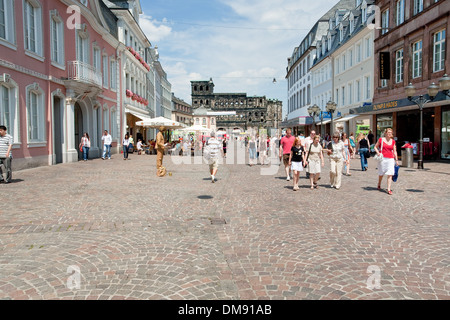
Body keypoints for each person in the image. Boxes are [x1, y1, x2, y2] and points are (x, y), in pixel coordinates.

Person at [374, 128, 399, 195]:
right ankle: (379, 183)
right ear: (385, 133)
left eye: (391, 132)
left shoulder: (393, 141)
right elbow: (375, 147)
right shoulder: (381, 139)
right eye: (388, 132)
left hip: (390, 159)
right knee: (381, 173)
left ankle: (388, 189)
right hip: (383, 159)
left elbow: (394, 151)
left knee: (390, 173)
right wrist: (378, 153)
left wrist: (396, 160)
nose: (390, 134)